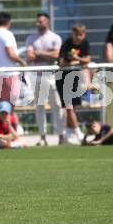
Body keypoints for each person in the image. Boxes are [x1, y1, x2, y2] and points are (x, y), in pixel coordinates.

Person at [25, 12, 65, 146]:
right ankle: (43, 137)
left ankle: (61, 135)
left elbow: (57, 55)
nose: (38, 23)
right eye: (37, 21)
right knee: (40, 107)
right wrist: (47, 55)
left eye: (41, 21)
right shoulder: (31, 38)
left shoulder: (55, 37)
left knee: (57, 105)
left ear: (47, 22)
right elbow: (30, 57)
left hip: (52, 75)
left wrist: (39, 53)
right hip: (37, 75)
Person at [56, 24, 90, 143]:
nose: (79, 37)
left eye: (81, 35)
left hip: (75, 77)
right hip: (62, 77)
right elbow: (61, 63)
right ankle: (78, 133)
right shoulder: (66, 44)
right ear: (72, 34)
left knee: (73, 107)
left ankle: (67, 133)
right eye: (77, 35)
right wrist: (78, 62)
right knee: (69, 107)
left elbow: (87, 60)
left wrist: (76, 59)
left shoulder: (85, 43)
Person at [0, 12, 26, 105]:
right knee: (10, 105)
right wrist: (22, 62)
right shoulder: (7, 34)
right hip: (9, 73)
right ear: (9, 22)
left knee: (0, 106)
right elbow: (11, 54)